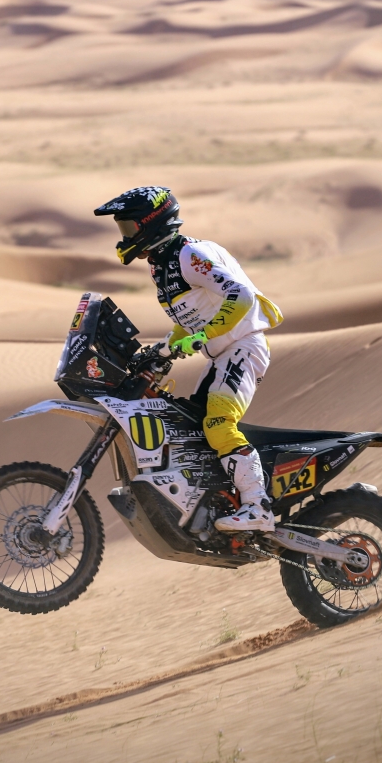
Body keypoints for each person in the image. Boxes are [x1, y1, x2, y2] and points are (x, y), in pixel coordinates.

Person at [94, 186, 283, 533]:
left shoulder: (189, 255)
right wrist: (163, 349)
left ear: (152, 222)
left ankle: (258, 506)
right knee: (193, 424)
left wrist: (203, 336)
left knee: (219, 423)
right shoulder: (162, 264)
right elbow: (190, 319)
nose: (125, 236)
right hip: (222, 354)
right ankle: (218, 500)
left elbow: (240, 296)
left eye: (129, 227)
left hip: (244, 346)